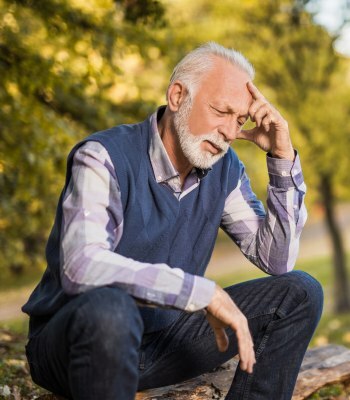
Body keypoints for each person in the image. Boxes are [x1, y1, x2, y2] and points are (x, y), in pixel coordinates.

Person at [22, 42, 323, 400]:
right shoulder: (103, 157)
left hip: (164, 344)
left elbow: (277, 259)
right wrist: (198, 291)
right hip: (77, 343)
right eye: (220, 111)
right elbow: (81, 266)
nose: (229, 132)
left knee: (300, 291)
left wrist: (282, 156)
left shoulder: (224, 169)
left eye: (239, 120)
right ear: (178, 96)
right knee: (112, 308)